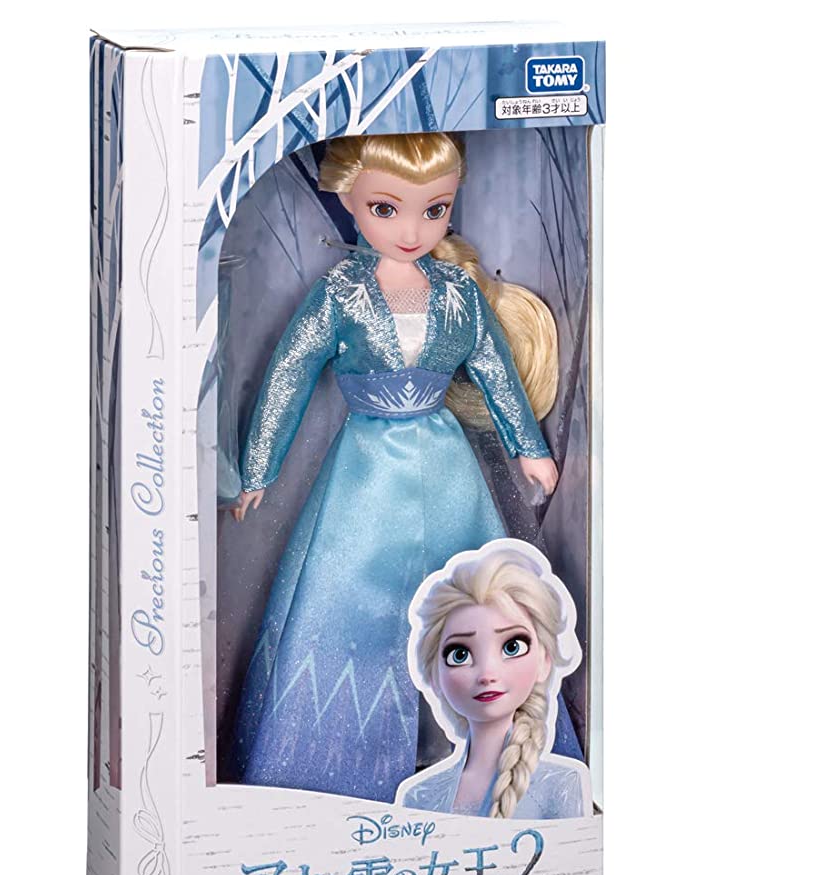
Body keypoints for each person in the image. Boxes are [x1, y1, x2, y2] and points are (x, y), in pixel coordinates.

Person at [228, 132, 577, 802]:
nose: (412, 231)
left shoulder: (457, 292)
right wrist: (257, 471)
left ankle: (491, 760)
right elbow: (288, 375)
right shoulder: (341, 294)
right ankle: (329, 774)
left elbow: (496, 370)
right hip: (365, 471)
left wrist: (527, 447)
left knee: (471, 595)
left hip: (447, 466)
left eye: (434, 210)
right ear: (350, 200)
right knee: (349, 596)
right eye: (386, 209)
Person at [397, 539, 591, 819]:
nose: (487, 674)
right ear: (434, 676)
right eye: (460, 654)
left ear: (544, 660)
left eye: (512, 647)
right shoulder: (420, 796)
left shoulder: (560, 785)